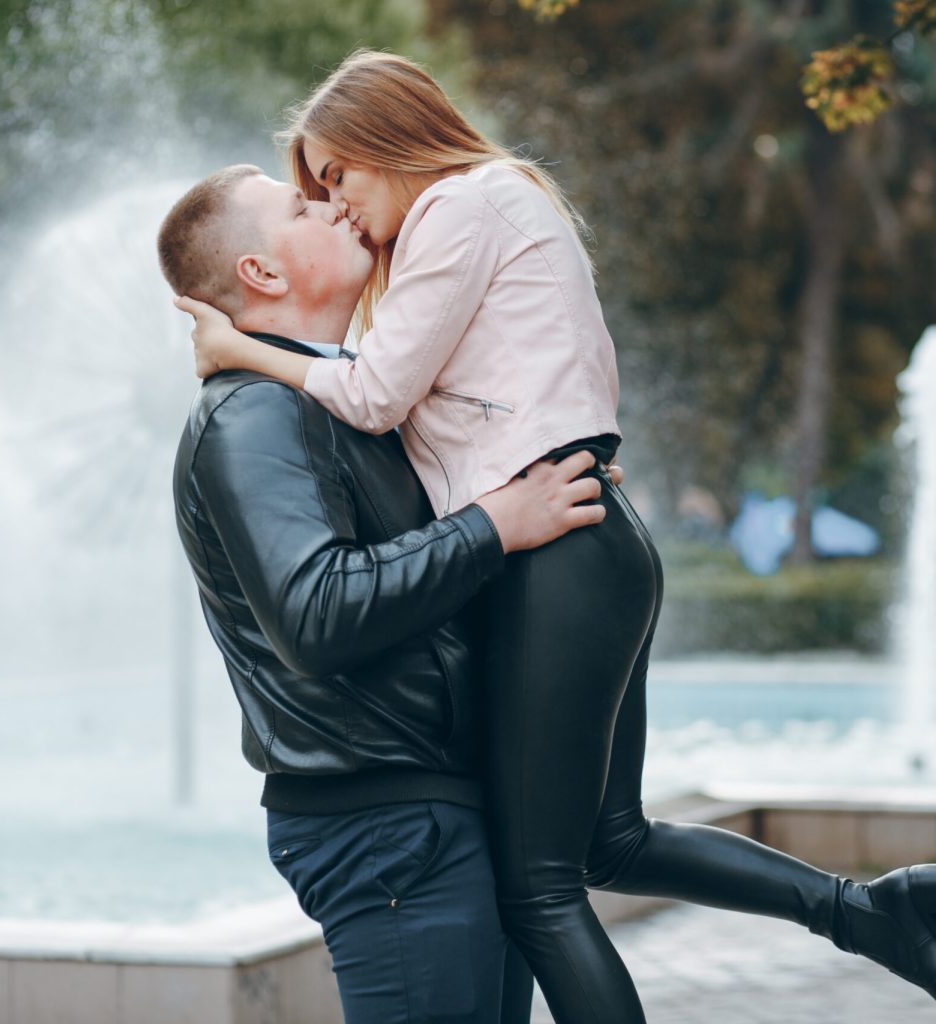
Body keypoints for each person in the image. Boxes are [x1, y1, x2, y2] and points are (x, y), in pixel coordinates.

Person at [175, 51, 936, 1023]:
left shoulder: (458, 209)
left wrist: (236, 348)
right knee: (608, 841)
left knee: (540, 891)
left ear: (390, 140)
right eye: (312, 197)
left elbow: (370, 395)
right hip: (583, 543)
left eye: (339, 179)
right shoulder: (474, 223)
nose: (336, 205)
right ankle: (869, 910)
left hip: (557, 552)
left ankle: (866, 910)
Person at [160, 163, 627, 1024]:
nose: (337, 206)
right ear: (260, 273)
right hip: (382, 825)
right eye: (304, 206)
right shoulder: (252, 415)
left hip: (434, 808)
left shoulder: (340, 401)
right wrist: (495, 522)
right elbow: (317, 612)